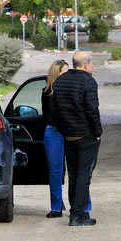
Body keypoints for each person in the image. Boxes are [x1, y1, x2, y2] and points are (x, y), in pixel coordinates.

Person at [50, 51, 102, 227]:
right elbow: (92, 110)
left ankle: (78, 212)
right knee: (83, 175)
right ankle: (77, 215)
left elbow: (54, 111)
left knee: (73, 174)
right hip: (86, 136)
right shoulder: (88, 82)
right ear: (86, 64)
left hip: (68, 136)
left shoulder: (60, 81)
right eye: (92, 63)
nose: (93, 67)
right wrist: (97, 132)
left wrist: (63, 129)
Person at [42, 60, 93, 218]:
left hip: (71, 131)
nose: (69, 75)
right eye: (65, 72)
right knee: (55, 171)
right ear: (56, 74)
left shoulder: (73, 89)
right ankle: (56, 207)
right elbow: (47, 116)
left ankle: (84, 206)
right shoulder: (47, 92)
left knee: (78, 170)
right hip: (55, 132)